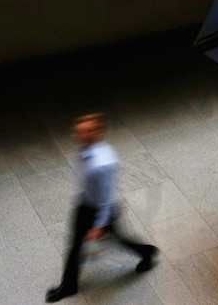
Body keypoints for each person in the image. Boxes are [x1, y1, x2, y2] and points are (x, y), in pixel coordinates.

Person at [46, 113, 158, 303]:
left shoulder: (104, 162)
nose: (79, 133)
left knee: (118, 239)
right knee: (75, 246)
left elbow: (107, 196)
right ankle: (69, 285)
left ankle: (146, 252)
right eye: (79, 129)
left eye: (86, 130)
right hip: (85, 205)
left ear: (96, 132)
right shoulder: (85, 150)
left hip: (100, 212)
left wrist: (98, 225)